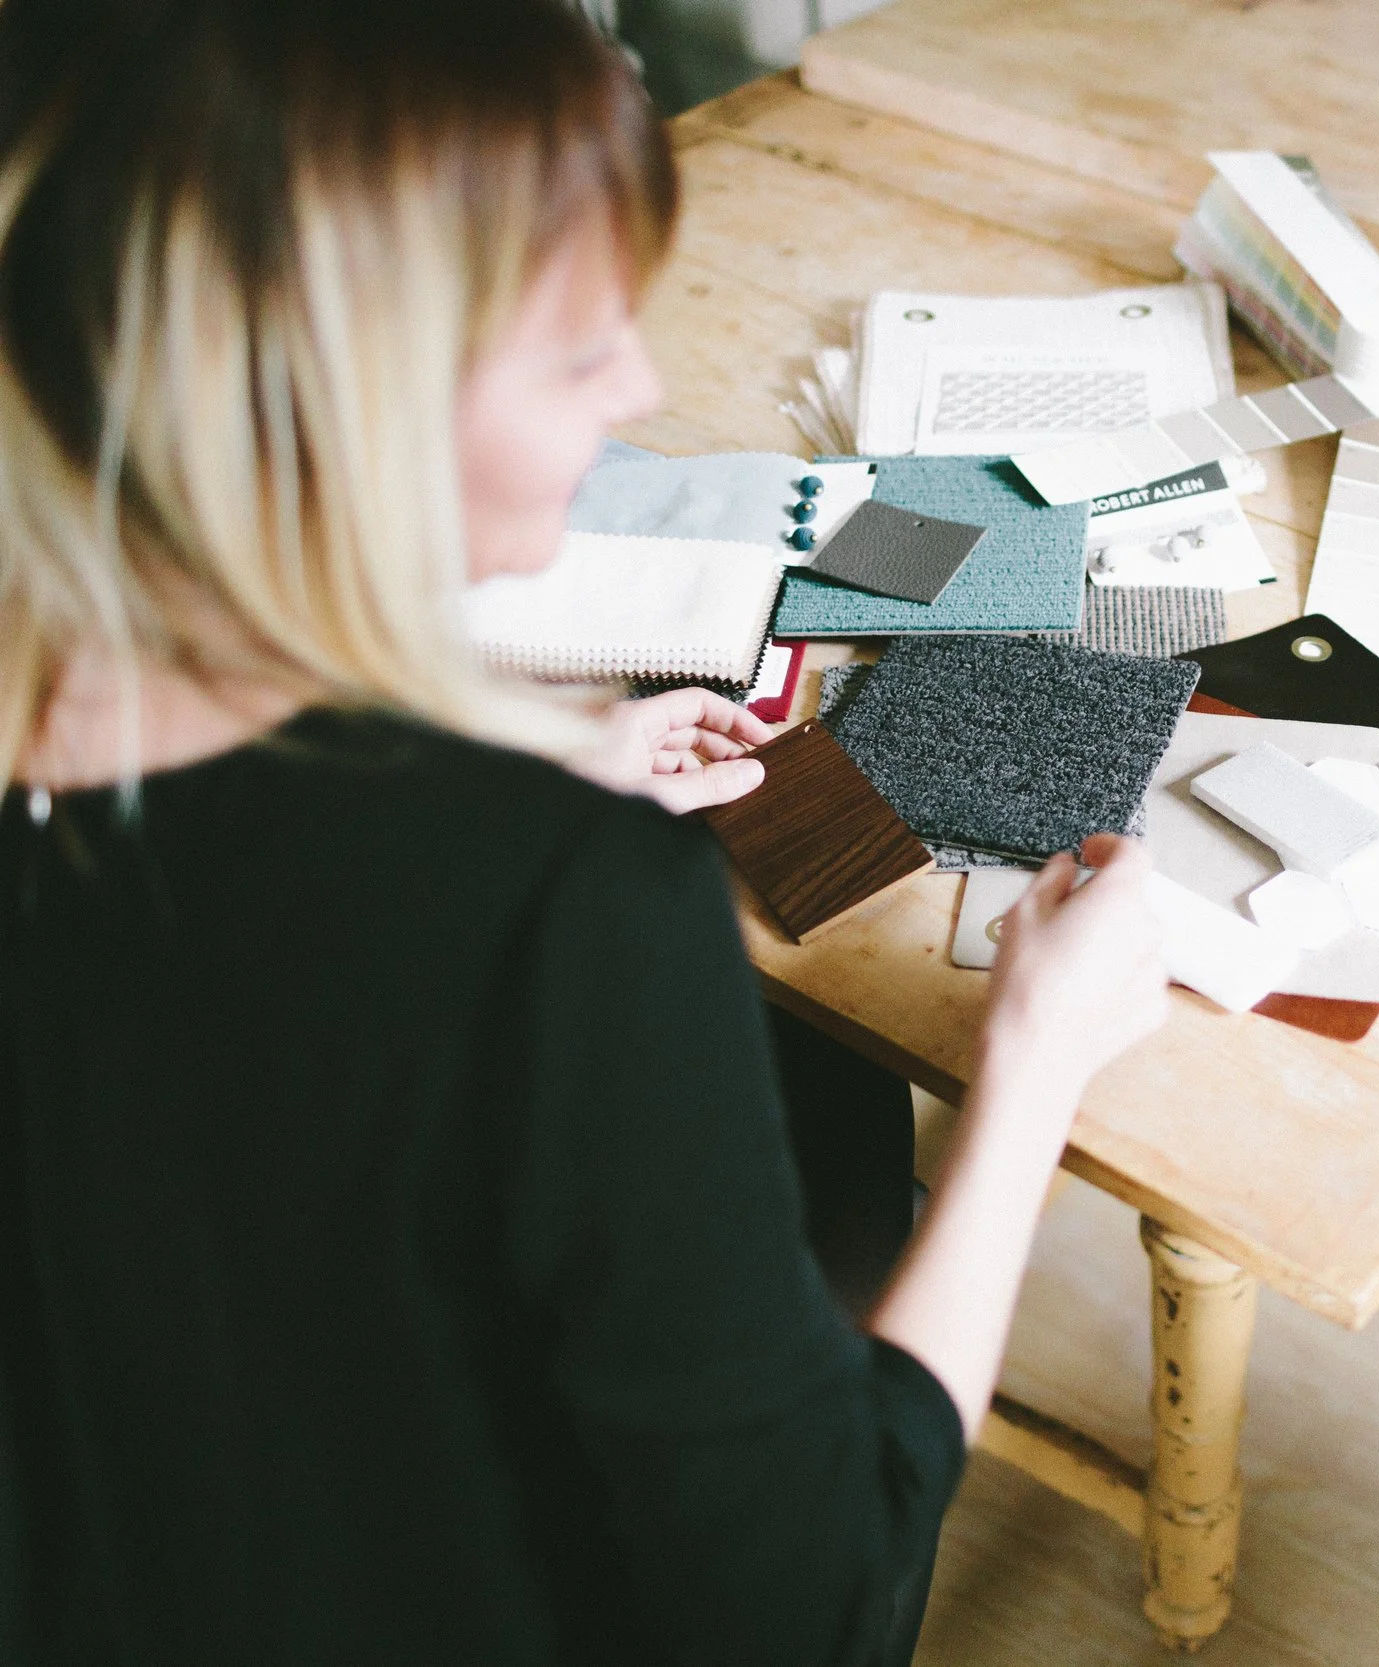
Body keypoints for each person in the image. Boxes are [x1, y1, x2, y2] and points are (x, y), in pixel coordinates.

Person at [0, 1, 1170, 1662]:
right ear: (333, 398)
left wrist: (527, 759)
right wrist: (1033, 1068)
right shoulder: (562, 908)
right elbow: (812, 1599)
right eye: (576, 350)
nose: (648, 382)